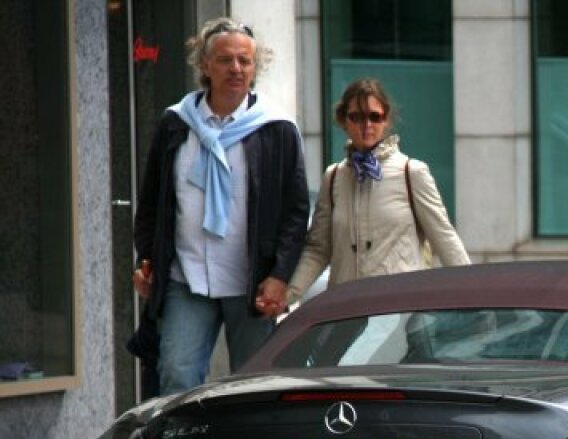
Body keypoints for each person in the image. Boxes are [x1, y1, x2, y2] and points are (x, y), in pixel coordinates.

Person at [131, 17, 309, 395]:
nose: (236, 69)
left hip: (251, 283)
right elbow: (152, 202)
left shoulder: (276, 129)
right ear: (205, 65)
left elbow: (295, 212)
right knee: (176, 376)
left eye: (245, 61)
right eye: (226, 60)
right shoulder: (176, 124)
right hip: (187, 276)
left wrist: (280, 275)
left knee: (253, 388)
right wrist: (147, 258)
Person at [268, 77, 469, 314]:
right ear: (344, 120)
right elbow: (318, 250)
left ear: (386, 121)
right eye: (357, 117)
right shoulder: (334, 177)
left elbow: (444, 237)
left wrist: (473, 294)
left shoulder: (411, 172)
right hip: (346, 311)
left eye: (375, 117)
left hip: (398, 311)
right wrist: (286, 296)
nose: (367, 125)